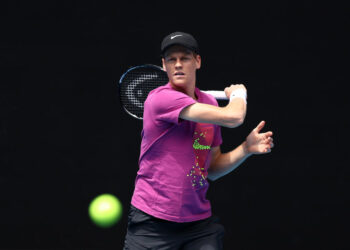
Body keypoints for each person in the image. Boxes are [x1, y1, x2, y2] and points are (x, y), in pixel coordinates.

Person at [123, 31, 274, 249]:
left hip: (197, 226)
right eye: (171, 60)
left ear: (197, 61)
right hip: (152, 222)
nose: (177, 65)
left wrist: (246, 148)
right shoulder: (160, 98)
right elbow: (234, 117)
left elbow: (211, 168)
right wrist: (239, 95)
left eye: (184, 58)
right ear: (163, 66)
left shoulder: (209, 104)